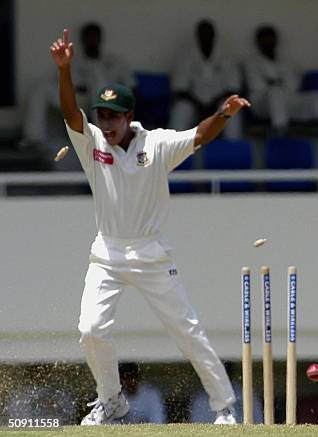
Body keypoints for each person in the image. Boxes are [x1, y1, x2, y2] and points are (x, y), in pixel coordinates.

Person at [50, 28, 249, 426]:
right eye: (100, 115)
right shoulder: (92, 144)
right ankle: (111, 400)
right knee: (90, 329)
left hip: (151, 253)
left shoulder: (156, 145)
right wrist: (65, 70)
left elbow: (199, 135)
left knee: (187, 332)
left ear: (128, 116)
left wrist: (224, 113)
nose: (104, 123)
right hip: (106, 253)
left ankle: (224, 408)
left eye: (111, 116)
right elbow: (72, 112)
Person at [21, 22, 134, 152]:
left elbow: (131, 86)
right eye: (88, 37)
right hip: (78, 101)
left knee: (99, 85)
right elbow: (64, 83)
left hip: (108, 102)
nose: (91, 40)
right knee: (40, 88)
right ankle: (33, 138)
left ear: (100, 38)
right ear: (82, 40)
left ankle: (104, 139)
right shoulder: (74, 60)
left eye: (94, 37)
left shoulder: (115, 61)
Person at [244, 25, 318, 139]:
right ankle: (280, 134)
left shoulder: (288, 64)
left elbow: (294, 86)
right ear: (258, 42)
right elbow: (258, 86)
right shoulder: (251, 63)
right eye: (265, 39)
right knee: (275, 92)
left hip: (290, 101)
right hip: (263, 104)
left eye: (271, 38)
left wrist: (272, 82)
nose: (268, 42)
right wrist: (279, 84)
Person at [169, 19, 243, 139]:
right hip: (193, 104)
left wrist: (213, 104)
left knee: (232, 112)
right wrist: (199, 105)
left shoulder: (226, 58)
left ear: (214, 35)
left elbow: (233, 89)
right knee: (180, 110)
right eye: (202, 34)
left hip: (220, 104)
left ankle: (233, 150)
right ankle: (173, 149)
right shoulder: (185, 58)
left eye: (209, 34)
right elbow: (179, 90)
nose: (206, 37)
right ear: (197, 36)